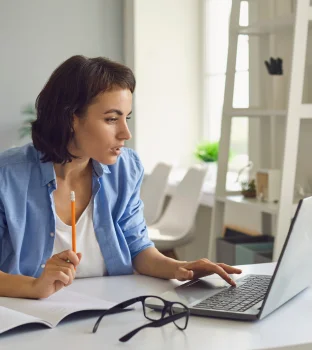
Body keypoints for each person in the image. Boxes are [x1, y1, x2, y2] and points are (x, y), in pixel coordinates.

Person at [0, 55, 242, 299]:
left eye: (127, 118)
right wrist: (33, 287)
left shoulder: (125, 168)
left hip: (109, 313)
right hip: (28, 318)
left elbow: (138, 249)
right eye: (111, 119)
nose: (125, 133)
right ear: (71, 118)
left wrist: (182, 268)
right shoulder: (7, 176)